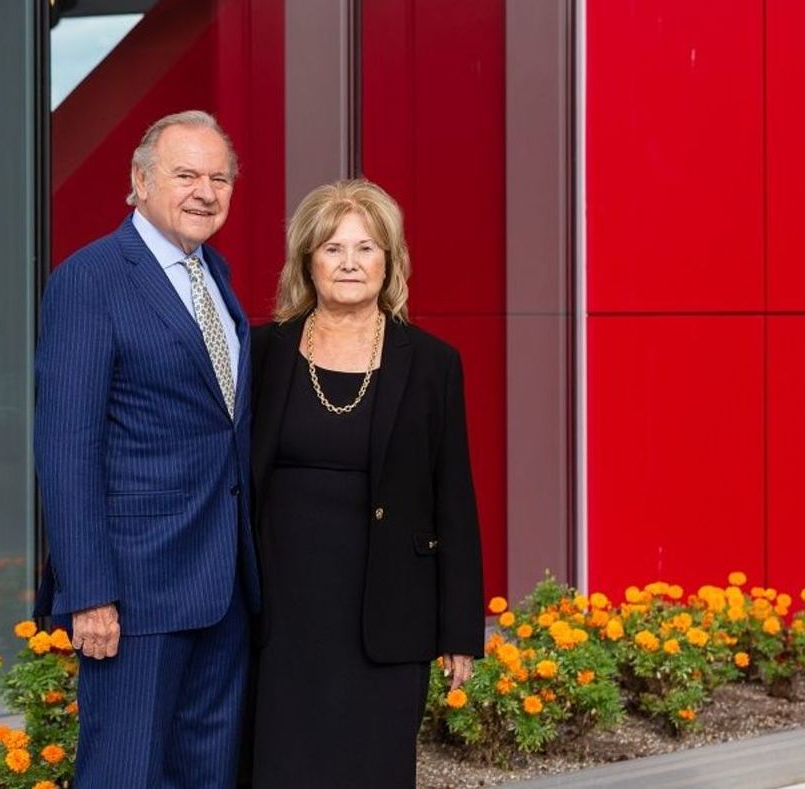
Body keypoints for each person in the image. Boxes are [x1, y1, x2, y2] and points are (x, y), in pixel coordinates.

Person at [33, 110, 259, 788]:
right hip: (135, 592)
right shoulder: (92, 278)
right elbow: (67, 446)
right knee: (123, 772)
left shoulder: (212, 272)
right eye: (186, 174)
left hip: (222, 583)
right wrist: (90, 592)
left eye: (219, 177)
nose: (205, 191)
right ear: (138, 181)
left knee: (208, 772)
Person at [249, 179, 484, 787]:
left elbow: (452, 499)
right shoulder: (262, 352)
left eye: (366, 248)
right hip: (280, 615)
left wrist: (459, 630)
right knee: (280, 766)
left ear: (390, 262)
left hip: (387, 611)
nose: (349, 263)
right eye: (332, 248)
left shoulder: (433, 363)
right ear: (308, 260)